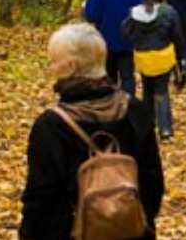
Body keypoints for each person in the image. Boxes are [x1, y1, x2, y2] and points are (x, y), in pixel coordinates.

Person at [20, 23, 164, 239]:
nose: (51, 68)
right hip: (132, 231)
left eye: (54, 62)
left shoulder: (51, 125)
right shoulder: (134, 110)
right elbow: (153, 182)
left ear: (70, 66)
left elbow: (40, 198)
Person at [123, 0, 186, 141]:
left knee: (147, 91)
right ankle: (165, 129)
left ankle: (147, 126)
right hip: (163, 58)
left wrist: (137, 41)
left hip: (143, 58)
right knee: (161, 92)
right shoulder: (169, 12)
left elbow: (124, 32)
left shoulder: (135, 12)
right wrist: (181, 59)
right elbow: (177, 36)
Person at [81, 0, 144, 94]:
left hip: (105, 40)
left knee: (109, 77)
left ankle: (111, 107)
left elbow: (91, 15)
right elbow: (141, 13)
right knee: (127, 77)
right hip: (127, 40)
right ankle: (128, 106)